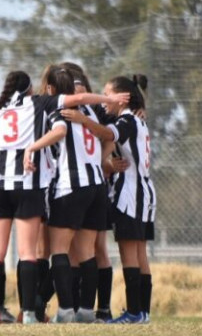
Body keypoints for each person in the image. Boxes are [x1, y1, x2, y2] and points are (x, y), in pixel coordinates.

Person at [0, 69, 129, 324]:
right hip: (29, 185)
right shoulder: (39, 104)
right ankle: (29, 314)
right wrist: (109, 100)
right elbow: (76, 105)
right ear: (30, 90)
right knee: (28, 253)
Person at [61, 75, 155, 324]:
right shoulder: (138, 119)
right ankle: (142, 312)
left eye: (109, 94)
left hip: (129, 193)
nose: (105, 100)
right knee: (140, 254)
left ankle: (134, 312)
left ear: (122, 97)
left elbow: (106, 133)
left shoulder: (126, 120)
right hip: (144, 192)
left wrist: (82, 119)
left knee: (129, 254)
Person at [34, 66, 111, 323]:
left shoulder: (58, 110)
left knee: (59, 251)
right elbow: (107, 135)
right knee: (87, 252)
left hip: (70, 185)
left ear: (53, 89)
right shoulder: (90, 111)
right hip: (98, 186)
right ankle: (86, 310)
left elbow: (57, 135)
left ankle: (66, 310)